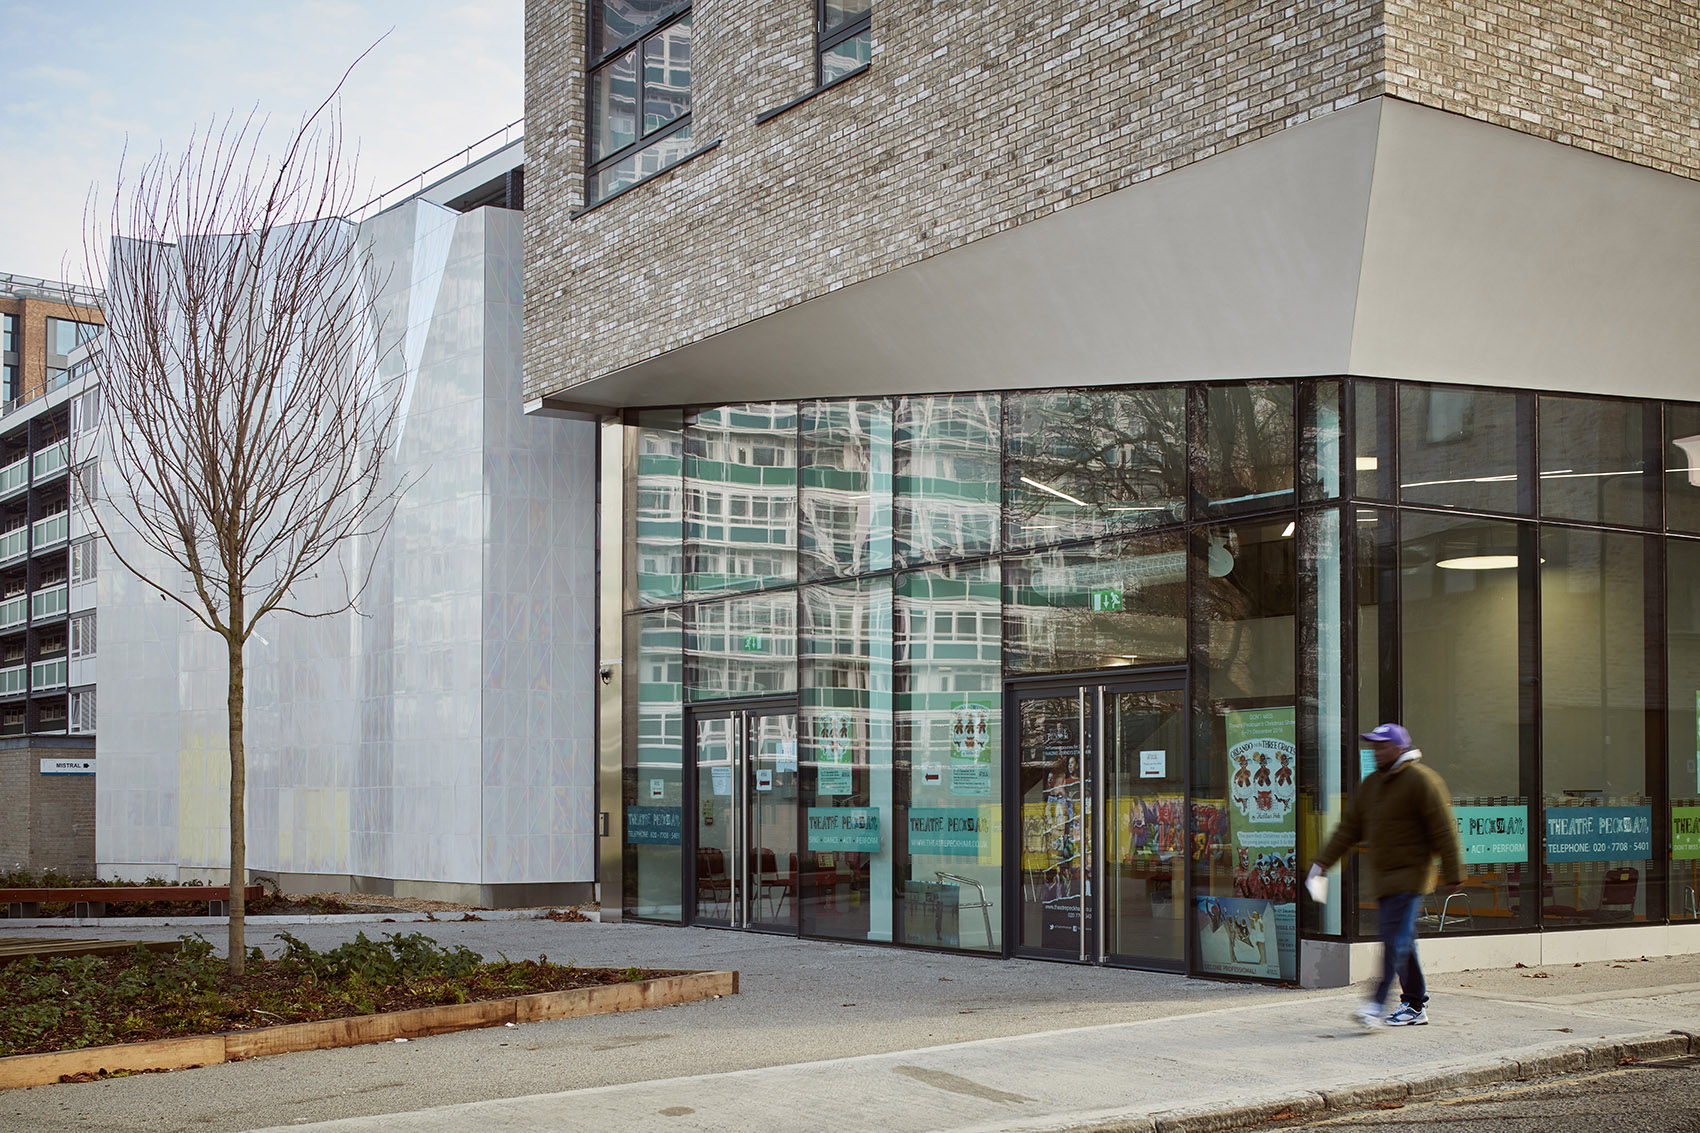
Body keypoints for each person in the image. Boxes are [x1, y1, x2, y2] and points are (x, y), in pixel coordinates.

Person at [1309, 723, 1463, 1029]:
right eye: (1373, 747)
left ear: (1398, 748)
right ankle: (1415, 1005)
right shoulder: (1372, 785)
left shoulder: (1421, 781)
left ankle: (1375, 1005)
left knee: (1393, 941)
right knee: (1404, 942)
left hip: (1411, 876)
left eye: (1381, 746)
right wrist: (1322, 863)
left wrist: (1453, 871)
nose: (1375, 751)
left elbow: (1444, 829)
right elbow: (1349, 829)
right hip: (1385, 879)